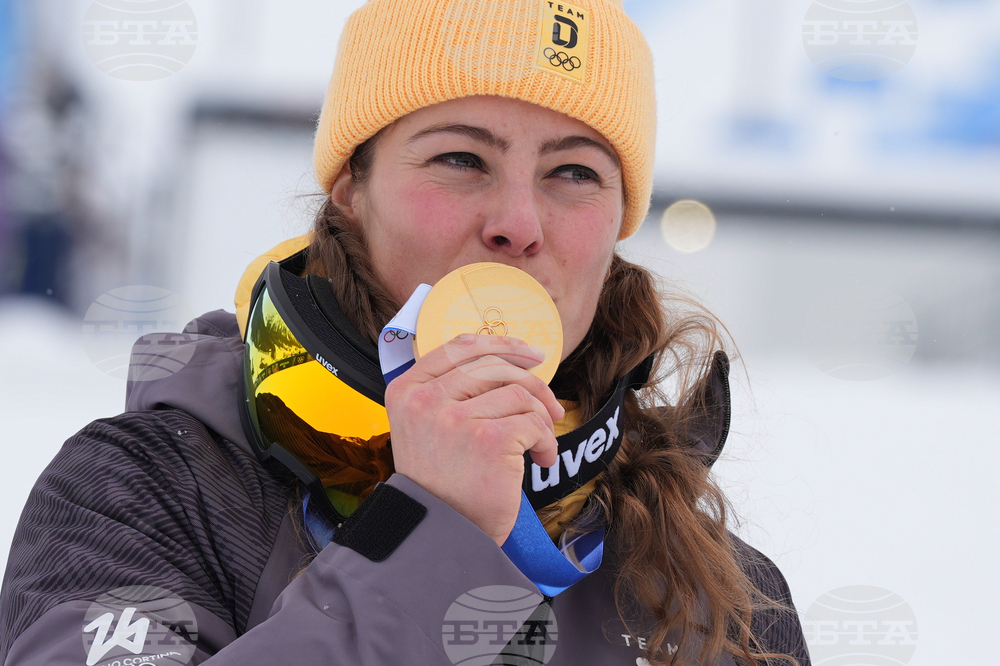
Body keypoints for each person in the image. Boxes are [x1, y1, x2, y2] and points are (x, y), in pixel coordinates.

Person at [0, 1, 811, 664]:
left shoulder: (716, 593)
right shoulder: (147, 493)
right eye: (461, 159)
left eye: (574, 172)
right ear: (352, 184)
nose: (518, 224)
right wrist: (431, 532)